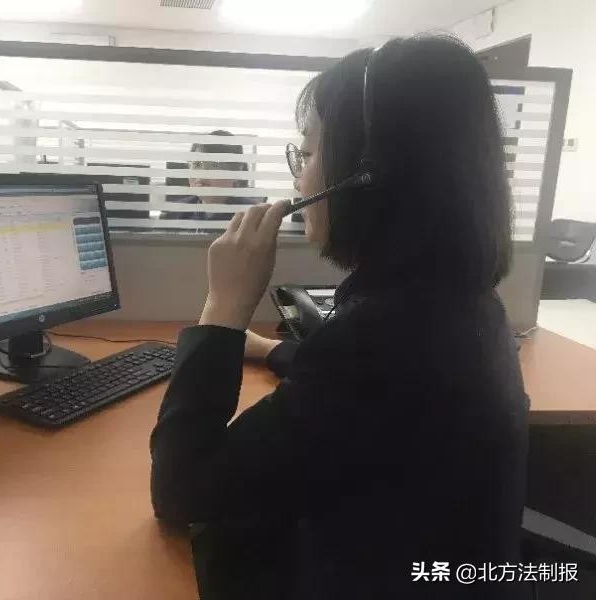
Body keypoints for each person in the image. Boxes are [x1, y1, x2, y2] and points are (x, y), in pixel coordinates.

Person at [150, 35, 529, 599]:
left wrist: (223, 308)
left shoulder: (378, 341)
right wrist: (272, 350)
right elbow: (364, 398)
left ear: (366, 173)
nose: (298, 179)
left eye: (307, 154)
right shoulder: (456, 301)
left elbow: (182, 490)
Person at [161, 130, 263, 227]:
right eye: (196, 164)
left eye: (214, 165)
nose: (202, 173)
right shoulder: (175, 213)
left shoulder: (254, 217)